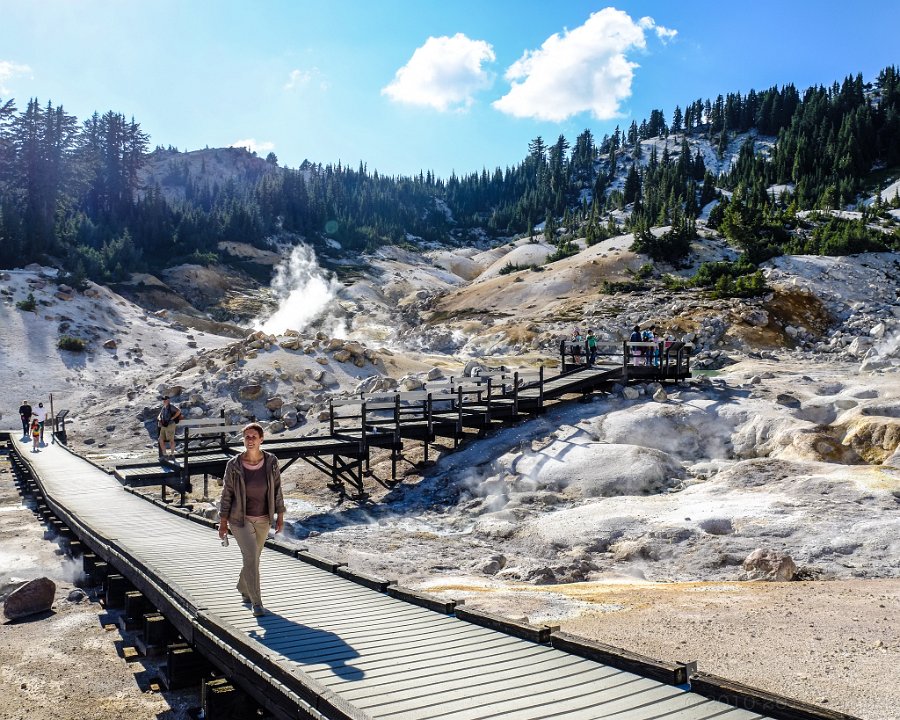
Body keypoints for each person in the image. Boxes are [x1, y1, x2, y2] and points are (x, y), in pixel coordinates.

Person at [218, 423, 285, 617]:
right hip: (240, 519)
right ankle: (257, 603)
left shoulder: (271, 461)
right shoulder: (234, 464)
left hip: (264, 518)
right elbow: (226, 494)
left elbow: (277, 490)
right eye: (247, 436)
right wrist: (223, 522)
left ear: (261, 439)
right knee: (251, 557)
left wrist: (280, 516)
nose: (250, 440)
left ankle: (242, 586)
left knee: (253, 558)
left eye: (254, 436)